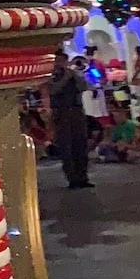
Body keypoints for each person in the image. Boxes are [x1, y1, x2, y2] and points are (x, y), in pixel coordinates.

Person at [48, 52, 93, 188]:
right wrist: (66, 77)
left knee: (80, 144)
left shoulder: (72, 74)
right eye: (59, 61)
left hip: (77, 111)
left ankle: (83, 176)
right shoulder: (52, 76)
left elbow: (84, 87)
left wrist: (76, 75)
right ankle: (72, 178)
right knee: (66, 146)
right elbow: (54, 90)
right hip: (62, 113)